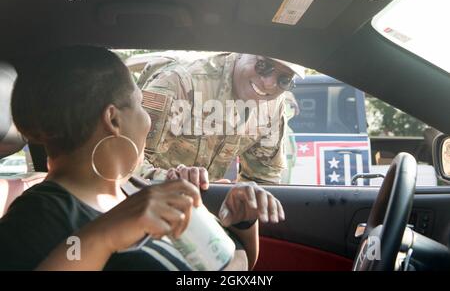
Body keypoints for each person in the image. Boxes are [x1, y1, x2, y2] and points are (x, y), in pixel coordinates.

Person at [0, 46, 285, 270]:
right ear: (113, 119)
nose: (148, 119)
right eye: (139, 104)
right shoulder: (38, 215)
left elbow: (234, 269)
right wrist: (103, 237)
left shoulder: (137, 191)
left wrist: (242, 223)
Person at [139, 52, 304, 185]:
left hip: (202, 211)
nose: (269, 84)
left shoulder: (273, 105)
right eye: (264, 66)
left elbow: (264, 178)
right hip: (145, 203)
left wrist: (243, 201)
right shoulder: (178, 81)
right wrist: (173, 181)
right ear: (241, 51)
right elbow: (126, 161)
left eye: (284, 80)